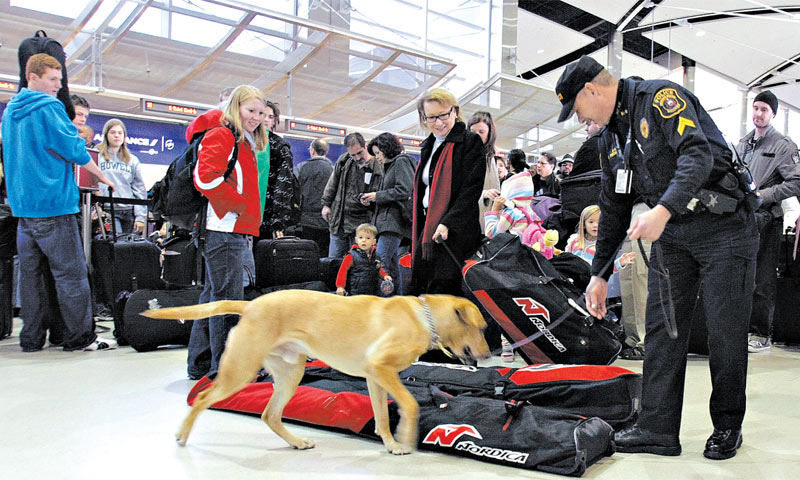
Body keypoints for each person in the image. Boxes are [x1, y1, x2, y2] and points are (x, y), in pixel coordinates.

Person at [556, 54, 757, 460]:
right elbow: (612, 206)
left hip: (724, 228)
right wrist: (598, 274)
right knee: (662, 333)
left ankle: (727, 427)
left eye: (576, 108)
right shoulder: (610, 138)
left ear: (592, 90)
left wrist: (661, 210)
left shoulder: (661, 98)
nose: (579, 119)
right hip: (675, 237)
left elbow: (697, 157)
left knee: (724, 334)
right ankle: (657, 428)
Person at [1, 53, 117, 352]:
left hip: (24, 209)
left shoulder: (11, 110)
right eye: (53, 79)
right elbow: (73, 148)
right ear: (33, 77)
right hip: (54, 205)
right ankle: (81, 337)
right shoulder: (48, 108)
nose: (57, 86)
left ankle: (31, 338)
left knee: (31, 278)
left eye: (59, 80)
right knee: (72, 275)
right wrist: (102, 176)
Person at [186, 85, 268, 380]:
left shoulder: (240, 138)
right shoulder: (224, 134)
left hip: (228, 227)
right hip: (225, 228)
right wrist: (238, 206)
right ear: (236, 107)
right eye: (251, 111)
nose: (256, 117)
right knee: (227, 300)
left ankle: (201, 363)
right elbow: (204, 178)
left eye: (261, 112)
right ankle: (228, 369)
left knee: (214, 297)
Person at [735, 90, 800, 352]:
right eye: (756, 108)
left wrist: (763, 195)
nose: (758, 114)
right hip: (741, 219)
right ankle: (740, 328)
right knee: (741, 277)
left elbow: (796, 182)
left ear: (773, 113)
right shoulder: (743, 144)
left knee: (762, 279)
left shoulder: (783, 146)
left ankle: (761, 333)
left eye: (764, 109)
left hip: (768, 220)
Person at [410, 88, 484, 297]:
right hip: (428, 227)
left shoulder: (470, 141)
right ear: (423, 118)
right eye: (432, 117)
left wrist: (448, 222)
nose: (439, 122)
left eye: (444, 114)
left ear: (455, 112)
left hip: (454, 232)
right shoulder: (429, 145)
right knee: (422, 288)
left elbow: (471, 189)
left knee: (445, 292)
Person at [361, 132, 415, 295]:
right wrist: (372, 200)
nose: (376, 157)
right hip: (389, 222)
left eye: (378, 153)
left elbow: (404, 190)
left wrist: (377, 196)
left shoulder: (400, 163)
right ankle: (396, 300)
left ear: (387, 149)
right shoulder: (393, 165)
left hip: (393, 222)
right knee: (391, 264)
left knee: (381, 261)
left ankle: (384, 300)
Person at [321, 132, 383, 257]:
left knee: (359, 264)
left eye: (360, 153)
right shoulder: (344, 161)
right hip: (339, 222)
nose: (357, 158)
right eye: (353, 155)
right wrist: (326, 205)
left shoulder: (377, 165)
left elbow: (381, 191)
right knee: (333, 263)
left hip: (362, 225)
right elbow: (332, 183)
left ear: (365, 146)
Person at [97, 118, 147, 235]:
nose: (116, 136)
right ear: (106, 135)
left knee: (129, 248)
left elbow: (139, 189)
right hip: (109, 209)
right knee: (116, 245)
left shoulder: (132, 160)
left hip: (129, 210)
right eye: (113, 132)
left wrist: (141, 216)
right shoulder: (98, 156)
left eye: (120, 133)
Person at [260, 100, 297, 240]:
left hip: (267, 218)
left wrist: (278, 221)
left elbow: (284, 186)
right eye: (263, 115)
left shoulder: (280, 147)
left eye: (271, 117)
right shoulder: (243, 141)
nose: (266, 120)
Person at [294, 138, 334, 256]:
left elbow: (293, 191)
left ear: (312, 151)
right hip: (326, 222)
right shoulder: (333, 170)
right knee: (323, 255)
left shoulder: (300, 168)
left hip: (305, 221)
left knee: (307, 255)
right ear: (325, 152)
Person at [484, 168, 541, 244]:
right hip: (527, 252)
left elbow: (491, 234)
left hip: (513, 252)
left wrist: (494, 211)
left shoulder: (511, 213)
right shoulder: (530, 211)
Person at [335, 223, 392, 296]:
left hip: (372, 292)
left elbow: (378, 268)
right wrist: (340, 286)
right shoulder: (351, 256)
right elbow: (342, 271)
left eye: (368, 238)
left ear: (374, 241)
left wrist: (384, 275)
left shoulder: (376, 256)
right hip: (355, 292)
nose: (364, 240)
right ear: (356, 240)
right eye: (360, 238)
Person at [467, 111, 501, 229]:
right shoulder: (465, 156)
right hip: (471, 219)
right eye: (472, 132)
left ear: (489, 133)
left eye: (481, 132)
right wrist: (484, 194)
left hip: (490, 218)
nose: (476, 135)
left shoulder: (491, 156)